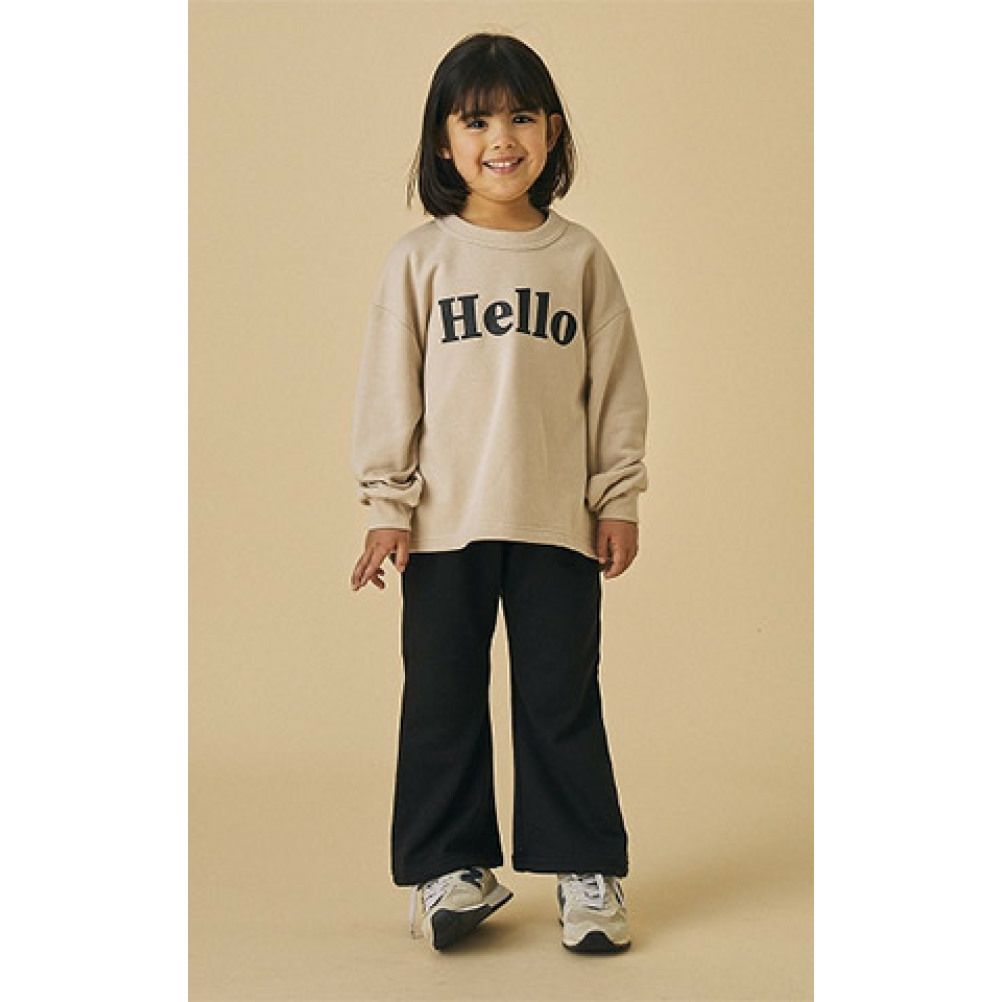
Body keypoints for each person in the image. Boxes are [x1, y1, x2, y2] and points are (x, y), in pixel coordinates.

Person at [349, 32, 648, 954]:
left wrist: (618, 496)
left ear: (552, 131)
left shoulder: (580, 257)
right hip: (444, 526)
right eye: (476, 121)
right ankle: (450, 870)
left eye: (520, 117)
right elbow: (389, 389)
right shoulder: (420, 259)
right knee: (441, 699)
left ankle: (585, 873)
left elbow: (617, 386)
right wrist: (387, 507)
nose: (501, 139)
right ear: (444, 143)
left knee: (562, 698)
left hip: (558, 522)